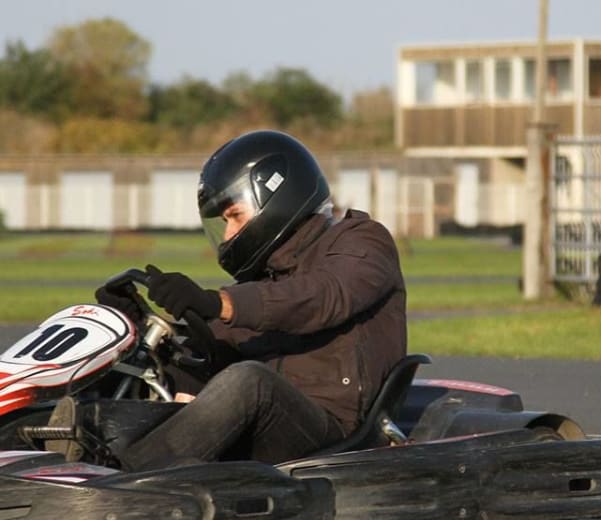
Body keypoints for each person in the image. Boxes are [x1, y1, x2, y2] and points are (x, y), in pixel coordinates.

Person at [95, 130, 406, 472]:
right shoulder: (264, 280)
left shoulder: (362, 240)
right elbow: (209, 351)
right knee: (125, 366)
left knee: (249, 380)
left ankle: (120, 475)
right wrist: (138, 327)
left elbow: (322, 296)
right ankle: (75, 443)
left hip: (333, 430)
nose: (229, 234)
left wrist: (218, 303)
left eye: (235, 217)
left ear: (276, 198)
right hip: (267, 425)